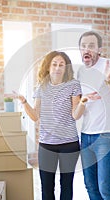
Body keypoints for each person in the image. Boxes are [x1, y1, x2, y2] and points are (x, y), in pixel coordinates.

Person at [7, 51, 87, 200]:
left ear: (66, 67)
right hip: (46, 145)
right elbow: (35, 116)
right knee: (46, 188)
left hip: (69, 144)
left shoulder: (73, 85)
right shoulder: (42, 86)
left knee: (67, 186)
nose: (57, 68)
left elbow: (75, 114)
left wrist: (82, 103)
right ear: (48, 67)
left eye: (61, 65)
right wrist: (23, 101)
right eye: (54, 64)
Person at [77, 31, 110, 200]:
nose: (87, 49)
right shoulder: (79, 72)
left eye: (91, 46)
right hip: (86, 136)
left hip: (107, 135)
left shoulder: (109, 66)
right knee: (90, 186)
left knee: (105, 187)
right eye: (83, 46)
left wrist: (109, 80)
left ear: (99, 48)